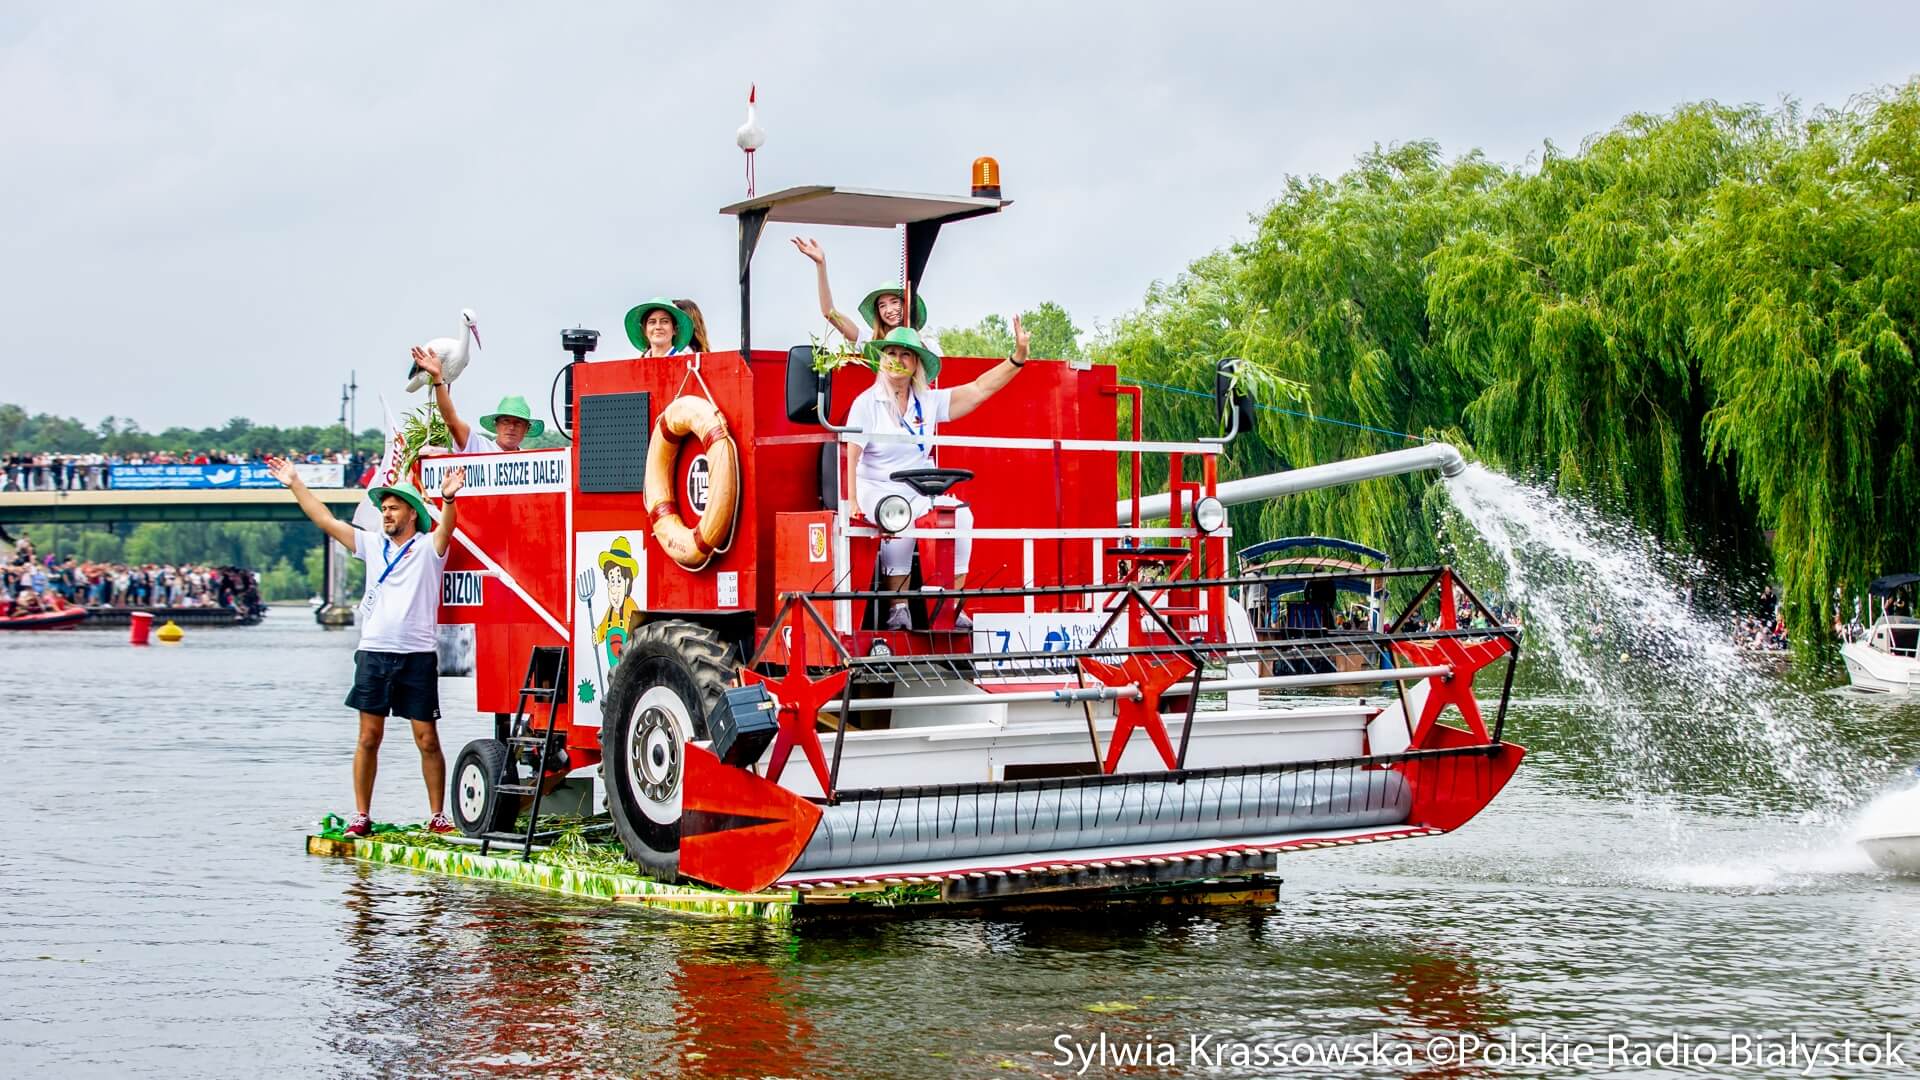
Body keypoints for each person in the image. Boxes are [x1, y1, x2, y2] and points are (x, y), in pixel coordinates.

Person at [268, 453, 466, 838]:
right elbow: (324, 520)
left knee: (427, 738)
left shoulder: (428, 548)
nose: (386, 514)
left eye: (393, 508)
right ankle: (362, 815)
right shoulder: (372, 545)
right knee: (368, 737)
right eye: (384, 509)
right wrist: (295, 483)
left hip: (417, 655)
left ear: (412, 514)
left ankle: (438, 816)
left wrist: (448, 499)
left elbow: (447, 530)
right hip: (374, 653)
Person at [845, 319, 1030, 631]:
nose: (896, 360)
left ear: (916, 362)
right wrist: (851, 501)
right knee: (897, 514)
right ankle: (898, 608)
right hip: (875, 486)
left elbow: (979, 388)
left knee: (960, 515)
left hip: (918, 486)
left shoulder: (927, 401)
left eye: (905, 355)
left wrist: (1017, 358)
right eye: (890, 353)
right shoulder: (867, 403)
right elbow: (852, 454)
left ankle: (950, 605)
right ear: (882, 359)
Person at [791, 237, 928, 343]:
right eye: (882, 305)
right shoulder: (868, 341)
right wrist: (821, 264)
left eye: (894, 302)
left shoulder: (927, 345)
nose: (889, 309)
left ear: (908, 305)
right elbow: (829, 313)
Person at [410, 347, 544, 454]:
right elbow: (450, 420)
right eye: (506, 421)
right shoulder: (478, 446)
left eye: (518, 423)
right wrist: (438, 379)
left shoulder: (530, 462)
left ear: (526, 429)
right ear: (496, 424)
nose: (511, 427)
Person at [624, 297, 696, 357]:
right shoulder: (638, 367)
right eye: (652, 322)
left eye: (664, 321)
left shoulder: (686, 364)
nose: (658, 327)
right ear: (644, 330)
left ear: (675, 329)